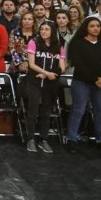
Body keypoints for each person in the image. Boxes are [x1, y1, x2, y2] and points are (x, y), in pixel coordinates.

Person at [65, 17, 101, 152]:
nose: (95, 28)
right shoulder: (77, 43)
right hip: (82, 82)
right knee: (78, 110)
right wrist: (96, 79)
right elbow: (79, 64)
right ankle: (71, 139)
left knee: (100, 111)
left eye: (98, 26)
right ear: (86, 28)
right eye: (92, 26)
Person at [25, 22, 66, 153]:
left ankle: (44, 139)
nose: (43, 31)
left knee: (46, 112)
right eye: (42, 29)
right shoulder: (34, 42)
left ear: (53, 31)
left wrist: (50, 75)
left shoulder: (59, 46)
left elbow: (62, 66)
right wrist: (46, 73)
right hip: (34, 81)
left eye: (47, 29)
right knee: (33, 110)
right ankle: (30, 139)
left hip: (50, 83)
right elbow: (31, 64)